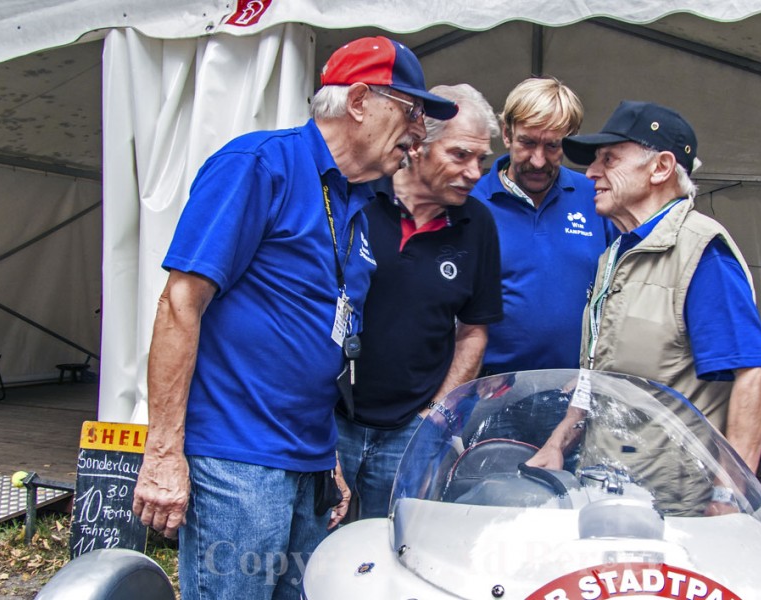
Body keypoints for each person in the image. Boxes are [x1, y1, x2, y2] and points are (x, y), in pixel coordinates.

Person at [131, 36, 457, 600]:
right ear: (359, 101)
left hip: (308, 463)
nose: (420, 131)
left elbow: (325, 336)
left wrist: (326, 450)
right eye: (411, 110)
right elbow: (180, 304)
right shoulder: (259, 165)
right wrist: (162, 453)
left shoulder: (355, 202)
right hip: (238, 460)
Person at [527, 100, 761, 512]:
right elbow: (598, 373)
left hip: (674, 510)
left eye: (609, 159)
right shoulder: (615, 254)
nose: (591, 172)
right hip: (607, 493)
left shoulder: (700, 253)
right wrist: (558, 442)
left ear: (660, 168)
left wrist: (729, 494)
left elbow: (758, 374)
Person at [336, 84, 503, 520]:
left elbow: (473, 331)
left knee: (389, 546)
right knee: (315, 548)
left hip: (411, 427)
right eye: (460, 155)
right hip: (333, 421)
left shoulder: (478, 222)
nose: (475, 173)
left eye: (481, 160)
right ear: (417, 147)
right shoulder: (359, 199)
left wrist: (437, 414)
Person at [471, 77, 617, 374]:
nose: (538, 161)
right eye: (527, 142)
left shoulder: (596, 197)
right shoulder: (472, 203)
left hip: (576, 392)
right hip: (492, 394)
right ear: (507, 134)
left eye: (553, 146)